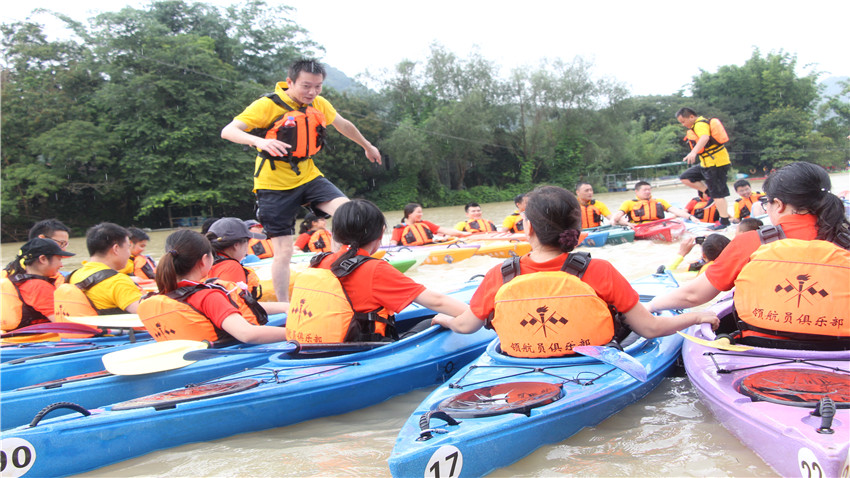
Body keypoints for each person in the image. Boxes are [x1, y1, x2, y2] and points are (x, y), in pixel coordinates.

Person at [432, 186, 718, 358]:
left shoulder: (500, 274)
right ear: (577, 230)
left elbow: (466, 326)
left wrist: (442, 319)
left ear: (528, 228)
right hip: (589, 362)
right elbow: (651, 329)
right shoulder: (599, 270)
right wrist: (696, 316)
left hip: (519, 361)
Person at [221, 59, 381, 301]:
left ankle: (338, 270)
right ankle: (286, 306)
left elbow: (343, 125)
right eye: (306, 86)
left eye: (318, 87)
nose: (312, 92)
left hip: (308, 175)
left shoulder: (319, 103)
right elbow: (229, 130)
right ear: (289, 82)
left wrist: (367, 146)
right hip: (273, 184)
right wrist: (259, 141)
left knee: (348, 213)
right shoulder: (267, 105)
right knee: (284, 251)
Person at [647, 162, 850, 346]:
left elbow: (693, 296)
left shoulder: (753, 241)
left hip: (761, 347)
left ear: (779, 204)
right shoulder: (845, 240)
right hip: (840, 349)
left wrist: (651, 305)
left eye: (767, 201)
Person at [286, 199, 470, 343]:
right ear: (381, 234)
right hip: (360, 350)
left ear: (335, 234)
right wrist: (479, 317)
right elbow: (437, 302)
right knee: (435, 318)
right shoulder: (374, 268)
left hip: (313, 346)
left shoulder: (319, 261)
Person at [138, 230, 288, 344]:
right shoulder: (207, 296)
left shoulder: (164, 294)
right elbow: (247, 334)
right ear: (205, 260)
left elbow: (232, 306)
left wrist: (283, 306)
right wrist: (296, 334)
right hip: (226, 359)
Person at [54, 223, 142, 318]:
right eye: (128, 247)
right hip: (118, 332)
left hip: (93, 331)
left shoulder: (74, 275)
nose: (129, 254)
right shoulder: (117, 281)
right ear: (116, 249)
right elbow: (149, 314)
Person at [205, 218, 288, 316]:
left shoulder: (207, 263)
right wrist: (284, 306)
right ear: (236, 245)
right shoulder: (231, 267)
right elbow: (238, 307)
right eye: (247, 243)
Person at [676, 107, 732, 230]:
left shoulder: (700, 124)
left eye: (683, 121)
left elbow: (705, 137)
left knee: (718, 194)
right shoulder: (695, 126)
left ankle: (724, 221)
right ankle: (708, 193)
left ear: (691, 117)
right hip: (706, 163)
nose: (683, 125)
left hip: (717, 163)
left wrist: (693, 153)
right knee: (686, 177)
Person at [1, 238, 75, 331]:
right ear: (43, 259)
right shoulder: (39, 287)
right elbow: (63, 324)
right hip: (36, 340)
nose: (61, 265)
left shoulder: (17, 280)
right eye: (59, 259)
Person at [611, 181, 693, 226]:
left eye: (649, 190)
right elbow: (616, 218)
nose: (648, 192)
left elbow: (675, 210)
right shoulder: (629, 203)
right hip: (640, 227)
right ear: (636, 191)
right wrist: (628, 224)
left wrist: (690, 217)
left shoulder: (659, 201)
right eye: (645, 190)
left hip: (659, 225)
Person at [390, 203, 468, 246]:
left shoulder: (425, 224)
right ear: (409, 214)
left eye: (421, 212)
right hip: (412, 251)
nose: (421, 214)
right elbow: (393, 245)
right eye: (418, 212)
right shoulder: (399, 228)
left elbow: (446, 231)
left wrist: (464, 233)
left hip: (430, 247)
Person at [666, 234, 731, 275]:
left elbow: (666, 273)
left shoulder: (703, 273)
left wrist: (681, 253)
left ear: (704, 255)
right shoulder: (733, 265)